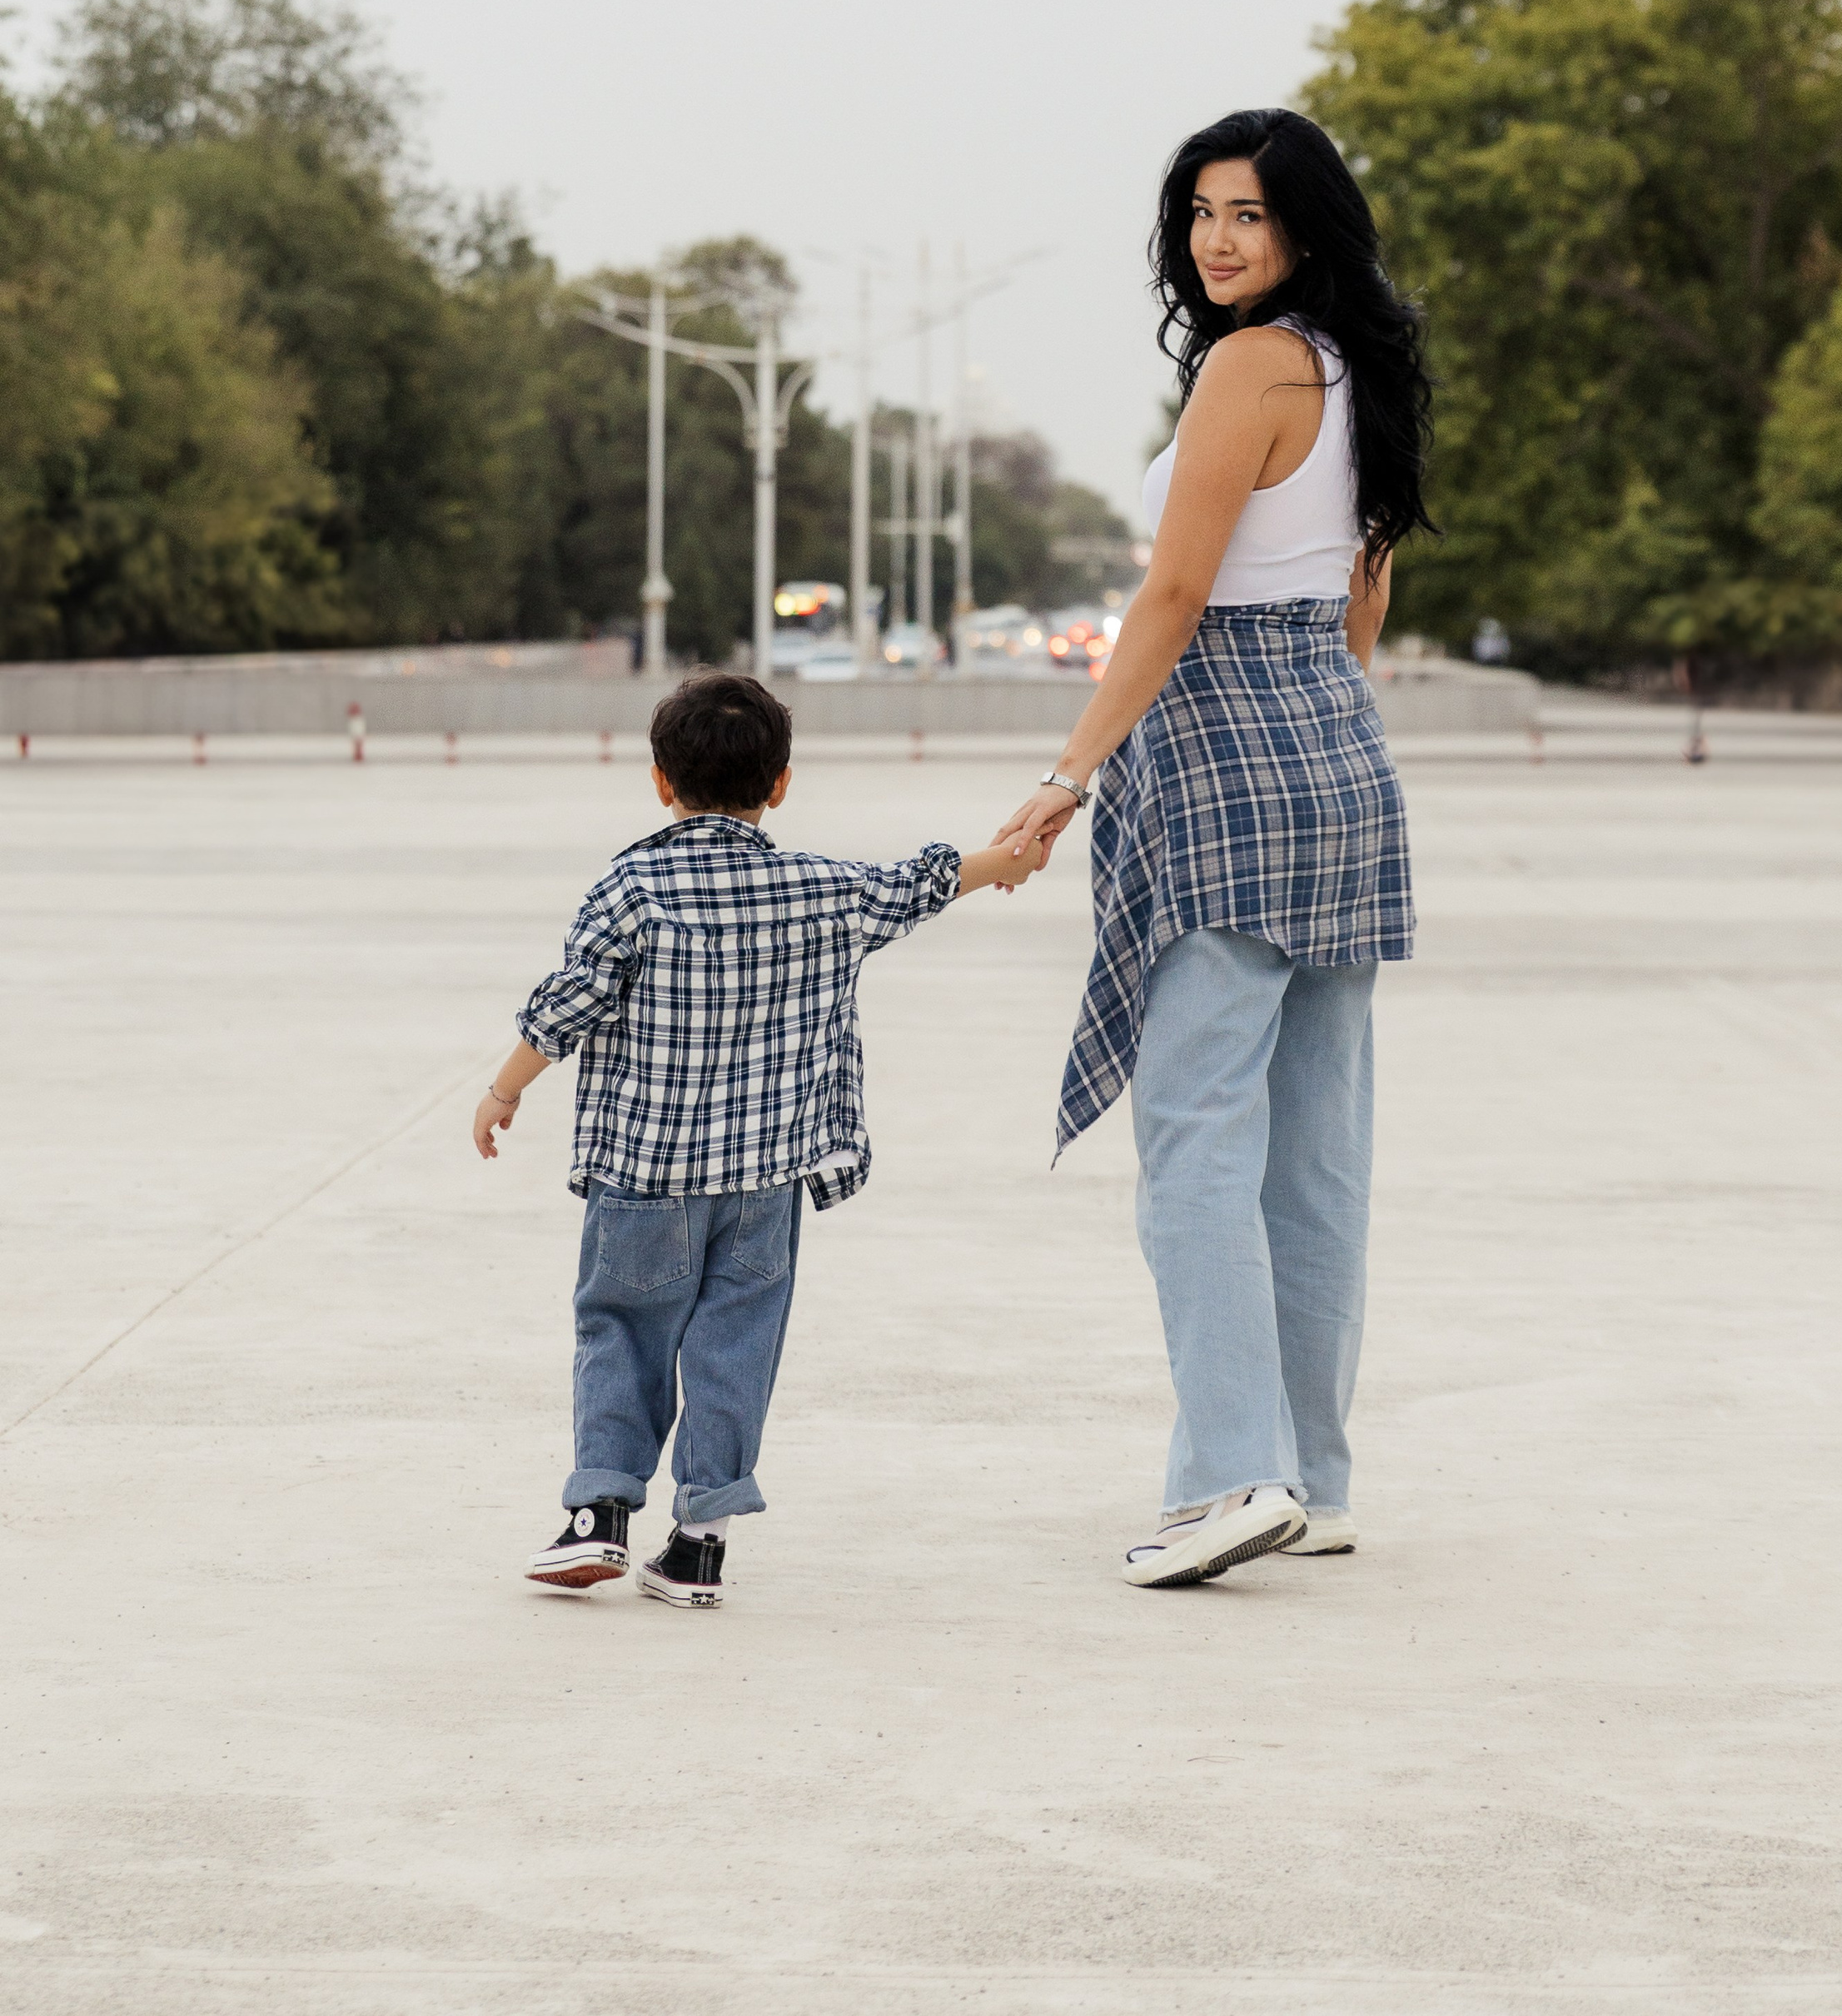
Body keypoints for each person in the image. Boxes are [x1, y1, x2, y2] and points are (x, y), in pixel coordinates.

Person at [997, 108, 1430, 1588]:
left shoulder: (1250, 367)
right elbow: (1365, 611)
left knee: (1191, 1140)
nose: (1217, 239)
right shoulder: (1360, 372)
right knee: (1316, 1150)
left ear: (1305, 227)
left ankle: (1238, 1474)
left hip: (1227, 758)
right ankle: (1311, 1469)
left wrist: (1070, 774)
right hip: (1340, 753)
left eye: (1247, 214)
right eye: (1200, 213)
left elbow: (1175, 594)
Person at [475, 670, 1042, 1608]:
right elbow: (918, 883)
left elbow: (570, 1000)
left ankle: (600, 1515)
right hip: (765, 1182)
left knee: (621, 1329)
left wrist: (503, 1088)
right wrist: (1009, 853)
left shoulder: (633, 884)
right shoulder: (820, 888)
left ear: (661, 780)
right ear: (780, 782)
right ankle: (700, 1541)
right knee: (736, 1346)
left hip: (645, 1176)